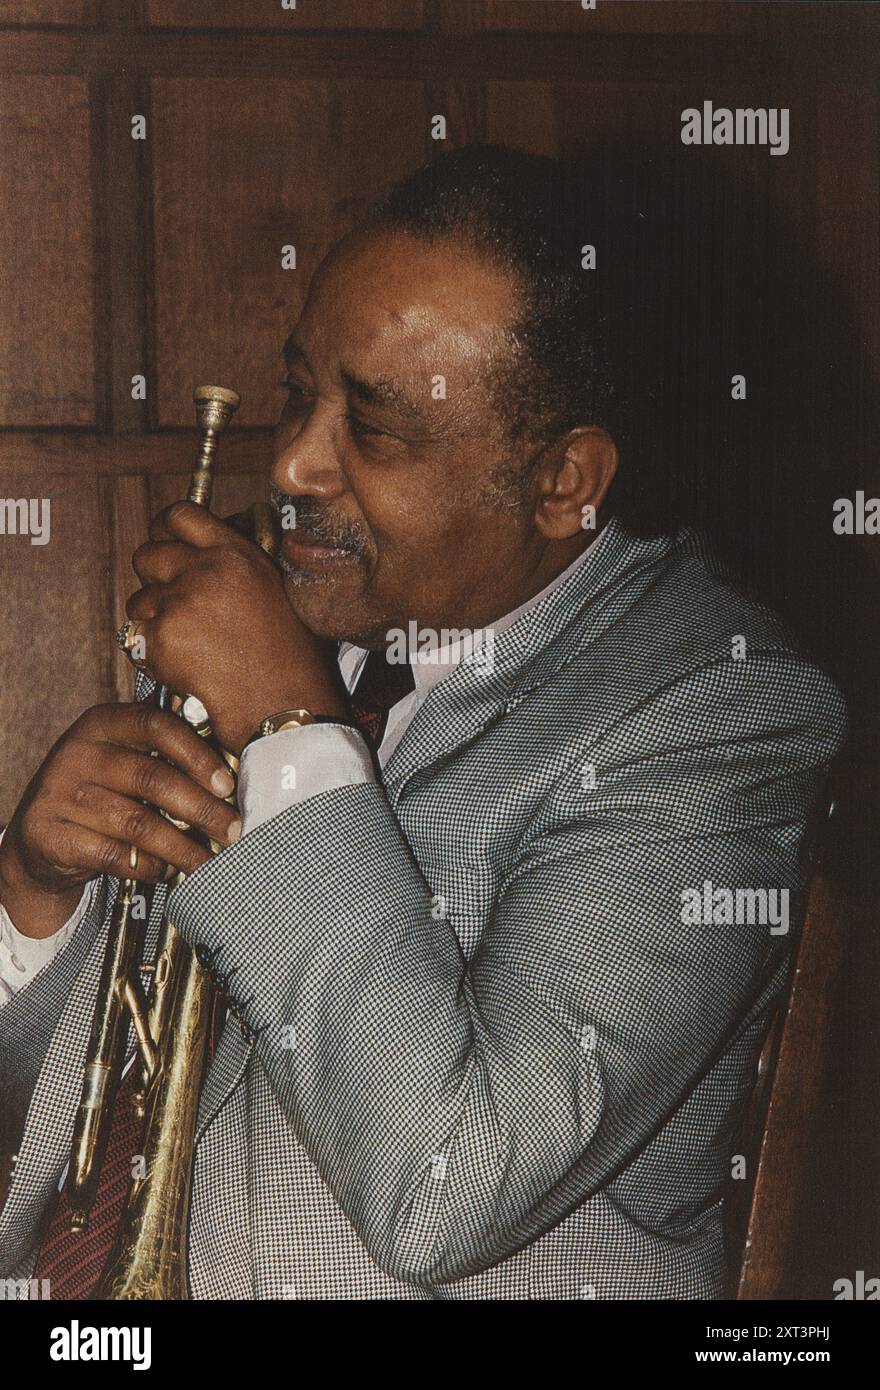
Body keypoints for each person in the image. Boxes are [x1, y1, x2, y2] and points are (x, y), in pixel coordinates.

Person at [0, 145, 846, 1300]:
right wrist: (37, 903)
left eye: (378, 431)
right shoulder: (285, 606)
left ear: (563, 482)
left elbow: (449, 1184)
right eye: (303, 391)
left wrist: (290, 720)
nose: (294, 463)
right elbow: (89, 1103)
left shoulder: (718, 710)